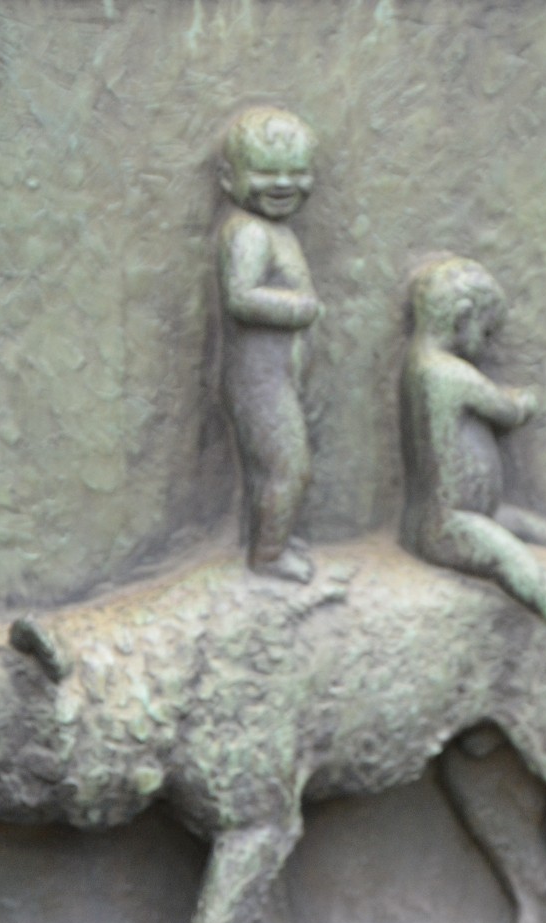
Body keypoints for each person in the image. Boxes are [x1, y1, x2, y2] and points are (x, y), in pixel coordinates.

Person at [399, 254, 546, 620]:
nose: (485, 345)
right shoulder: (447, 374)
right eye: (484, 332)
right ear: (463, 316)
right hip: (450, 523)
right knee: (504, 550)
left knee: (509, 520)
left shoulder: (422, 363)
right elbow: (505, 411)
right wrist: (523, 403)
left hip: (470, 512)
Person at [216, 106, 322, 583]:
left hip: (280, 377)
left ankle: (270, 535)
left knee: (275, 467)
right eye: (265, 173)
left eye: (297, 173)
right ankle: (268, 555)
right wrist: (300, 309)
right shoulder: (248, 233)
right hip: (259, 383)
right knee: (289, 467)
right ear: (227, 179)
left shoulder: (274, 230)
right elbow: (240, 297)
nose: (282, 184)